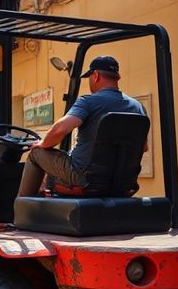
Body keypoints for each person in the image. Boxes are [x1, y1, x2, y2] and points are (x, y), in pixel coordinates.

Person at [17, 56, 146, 197]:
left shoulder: (88, 101)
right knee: (55, 174)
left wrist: (42, 143)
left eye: (90, 77)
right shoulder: (138, 107)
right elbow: (144, 147)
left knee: (36, 154)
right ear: (118, 77)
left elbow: (60, 129)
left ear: (95, 75)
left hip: (85, 177)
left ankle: (21, 211)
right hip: (124, 181)